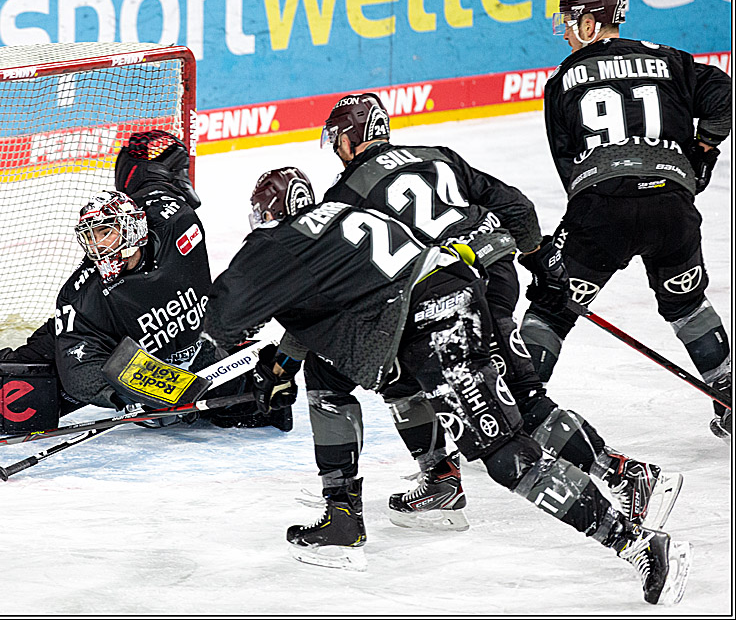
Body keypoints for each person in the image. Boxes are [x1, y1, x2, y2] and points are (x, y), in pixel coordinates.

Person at [202, 167, 691, 604]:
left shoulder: (277, 244)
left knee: (507, 454)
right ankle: (355, 511)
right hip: (454, 295)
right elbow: (331, 310)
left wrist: (192, 374)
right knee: (340, 378)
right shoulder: (340, 216)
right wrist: (282, 362)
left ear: (265, 216)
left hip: (438, 319)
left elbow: (221, 318)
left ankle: (636, 543)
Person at [316, 93, 682, 531]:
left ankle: (622, 474)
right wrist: (541, 261)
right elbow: (517, 209)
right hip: (495, 270)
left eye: (337, 138)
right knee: (481, 386)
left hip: (452, 291)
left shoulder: (345, 195)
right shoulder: (436, 156)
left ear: (352, 137)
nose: (336, 149)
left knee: (472, 388)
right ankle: (443, 475)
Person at [517, 0, 732, 441]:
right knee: (687, 304)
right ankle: (728, 389)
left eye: (572, 23)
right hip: (672, 208)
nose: (567, 33)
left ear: (592, 23)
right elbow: (723, 96)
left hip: (601, 210)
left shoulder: (561, 81)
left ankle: (518, 414)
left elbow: (568, 163)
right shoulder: (671, 60)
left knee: (553, 307)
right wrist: (702, 149)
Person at [0, 130, 291, 431]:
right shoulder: (80, 295)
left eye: (105, 232)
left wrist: (145, 163)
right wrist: (128, 399)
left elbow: (159, 185)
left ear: (134, 229)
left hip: (201, 356)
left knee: (266, 403)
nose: (97, 247)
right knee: (47, 356)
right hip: (120, 350)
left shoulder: (176, 220)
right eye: (90, 236)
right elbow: (79, 369)